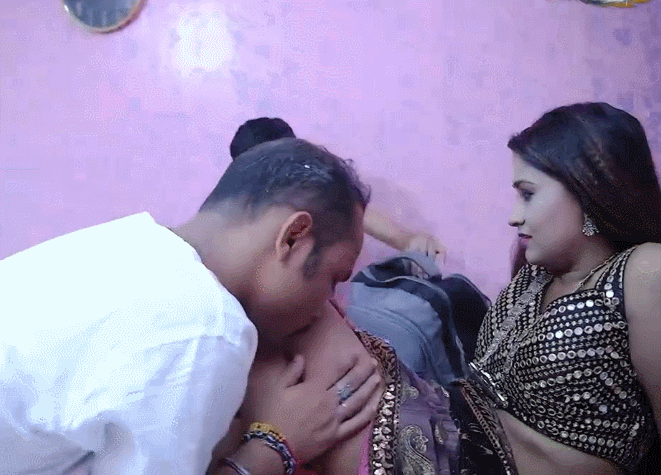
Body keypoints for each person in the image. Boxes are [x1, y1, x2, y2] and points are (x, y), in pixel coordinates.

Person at [0, 138, 382, 475]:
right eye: (333, 278)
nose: (326, 306)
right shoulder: (203, 325)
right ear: (294, 237)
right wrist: (278, 445)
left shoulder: (125, 241)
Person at [455, 102, 661, 474]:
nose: (514, 216)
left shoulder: (644, 270)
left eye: (528, 194)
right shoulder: (536, 275)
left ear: (588, 189)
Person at [230, 118, 447, 261]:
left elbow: (354, 212)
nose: (284, 177)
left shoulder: (314, 190)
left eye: (290, 162)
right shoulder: (240, 221)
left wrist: (410, 241)